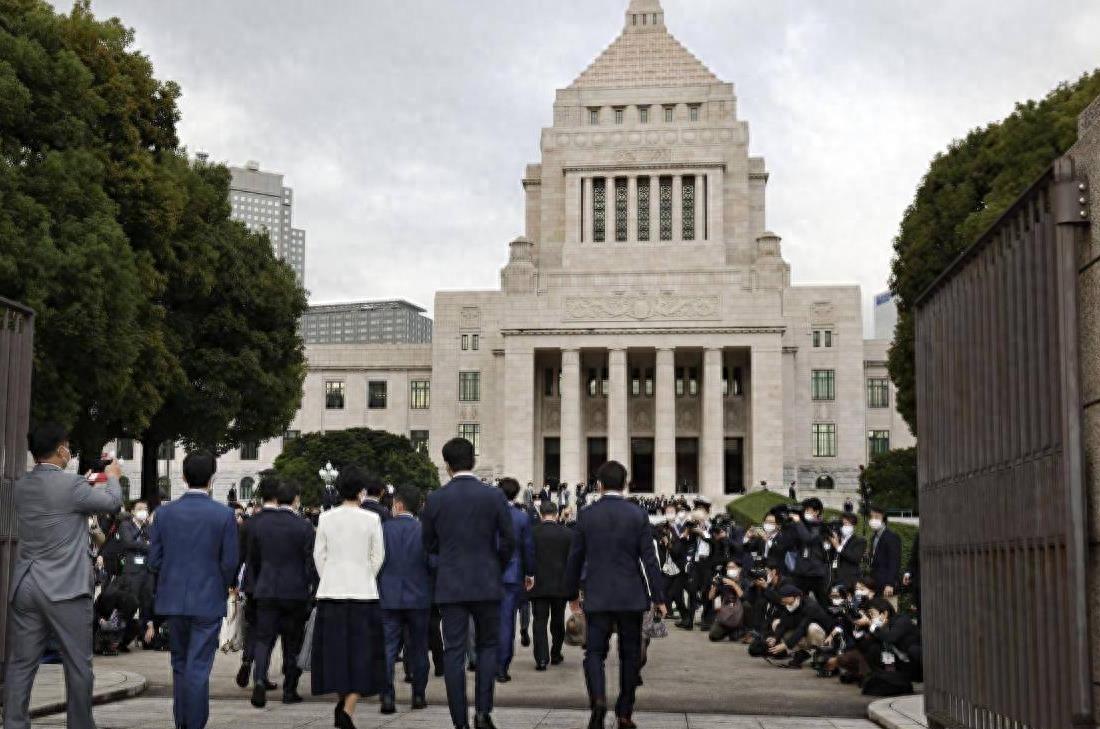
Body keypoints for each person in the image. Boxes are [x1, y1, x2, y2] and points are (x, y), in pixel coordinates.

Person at [3, 423, 123, 729]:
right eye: (68, 446)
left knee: (21, 663)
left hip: (27, 582)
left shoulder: (21, 485)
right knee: (77, 664)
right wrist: (113, 477)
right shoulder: (72, 487)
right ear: (60, 450)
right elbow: (112, 503)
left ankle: (15, 723)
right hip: (66, 587)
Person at [421, 438, 515, 729]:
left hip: (451, 584)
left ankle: (459, 721)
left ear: (446, 466)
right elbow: (508, 540)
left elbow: (428, 544)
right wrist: (495, 564)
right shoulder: (494, 497)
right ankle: (483, 712)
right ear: (473, 461)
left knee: (454, 651)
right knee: (487, 646)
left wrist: (446, 561)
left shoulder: (436, 499)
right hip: (486, 580)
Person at [565, 460, 666, 729]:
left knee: (594, 653)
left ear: (598, 485)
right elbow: (650, 560)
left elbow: (575, 558)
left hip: (597, 594)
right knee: (630, 655)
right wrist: (659, 597)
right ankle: (624, 712)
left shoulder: (587, 515)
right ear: (626, 484)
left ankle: (598, 700)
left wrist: (572, 593)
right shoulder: (637, 514)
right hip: (631, 595)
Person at [148, 449, 239, 729]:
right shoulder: (224, 515)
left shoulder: (164, 514)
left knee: (179, 664)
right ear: (212, 478)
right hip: (208, 598)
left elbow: (154, 560)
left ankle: (182, 722)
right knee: (198, 667)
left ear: (184, 477)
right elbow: (229, 562)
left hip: (174, 598)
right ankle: (194, 724)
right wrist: (222, 587)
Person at [312, 465, 387, 729]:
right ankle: (348, 706)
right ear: (361, 491)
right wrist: (364, 574)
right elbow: (378, 557)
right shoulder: (372, 519)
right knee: (363, 654)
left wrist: (331, 575)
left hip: (331, 592)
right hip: (363, 593)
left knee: (335, 653)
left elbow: (319, 555)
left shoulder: (326, 518)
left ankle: (343, 701)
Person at [247, 475, 316, 708]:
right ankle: (289, 690)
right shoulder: (304, 526)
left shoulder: (261, 524)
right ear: (296, 499)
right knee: (292, 642)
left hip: (266, 588)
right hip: (294, 591)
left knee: (264, 638)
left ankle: (259, 679)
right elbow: (310, 563)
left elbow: (253, 559)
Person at [377, 485, 433, 713]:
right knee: (419, 649)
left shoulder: (383, 529)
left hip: (388, 597)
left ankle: (387, 697)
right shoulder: (424, 531)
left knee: (388, 649)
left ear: (398, 505)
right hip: (418, 598)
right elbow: (433, 563)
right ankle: (418, 695)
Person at [496, 477, 535, 683]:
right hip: (512, 575)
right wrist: (530, 573)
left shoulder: (488, 516)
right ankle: (501, 666)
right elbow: (528, 549)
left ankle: (486, 662)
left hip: (489, 574)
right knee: (505, 622)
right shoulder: (521, 518)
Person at [528, 500, 574, 670]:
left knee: (539, 621)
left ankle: (541, 658)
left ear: (541, 514)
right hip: (560, 584)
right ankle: (555, 653)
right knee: (557, 620)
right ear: (556, 514)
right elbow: (572, 562)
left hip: (538, 584)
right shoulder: (568, 534)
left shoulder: (532, 533)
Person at [867, 506, 902, 601]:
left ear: (884, 520)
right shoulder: (874, 537)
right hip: (876, 584)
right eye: (871, 517)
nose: (873, 520)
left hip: (887, 586)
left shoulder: (892, 537)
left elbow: (894, 562)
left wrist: (890, 584)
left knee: (888, 613)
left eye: (877, 517)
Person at [829, 512, 865, 590]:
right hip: (834, 578)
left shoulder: (859, 541)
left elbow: (855, 558)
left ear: (853, 526)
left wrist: (838, 547)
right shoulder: (837, 538)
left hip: (850, 580)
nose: (845, 526)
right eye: (843, 524)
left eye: (847, 524)